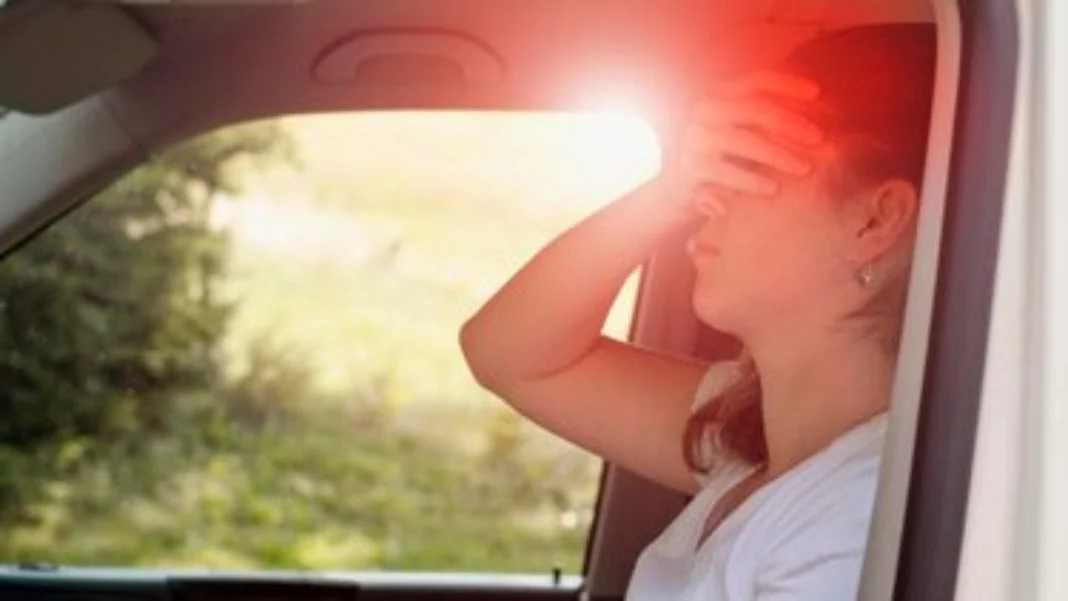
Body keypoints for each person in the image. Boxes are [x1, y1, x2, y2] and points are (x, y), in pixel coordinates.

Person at [460, 23, 936, 601]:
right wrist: (666, 192)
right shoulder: (754, 441)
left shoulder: (858, 514)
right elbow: (506, 354)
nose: (704, 199)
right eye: (707, 169)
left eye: (744, 163)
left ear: (875, 220)